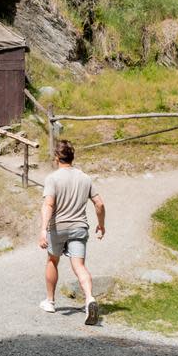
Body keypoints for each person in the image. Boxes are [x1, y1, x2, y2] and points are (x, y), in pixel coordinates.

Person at [39, 139, 106, 325]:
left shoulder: (52, 178)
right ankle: (90, 299)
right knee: (79, 266)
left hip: (58, 228)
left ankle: (50, 302)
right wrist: (101, 225)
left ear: (56, 158)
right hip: (79, 227)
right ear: (72, 157)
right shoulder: (85, 178)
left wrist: (43, 230)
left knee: (53, 260)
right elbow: (99, 203)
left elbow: (49, 204)